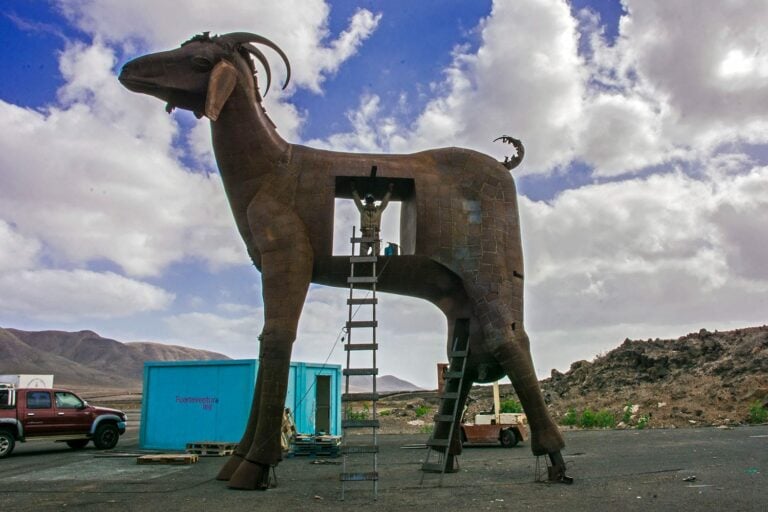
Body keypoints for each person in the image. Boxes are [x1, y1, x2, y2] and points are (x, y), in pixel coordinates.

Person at [352, 182, 394, 255]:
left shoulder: (378, 210)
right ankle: (366, 261)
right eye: (368, 201)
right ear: (366, 202)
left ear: (373, 201)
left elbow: (384, 202)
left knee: (376, 254)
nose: (369, 203)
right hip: (365, 234)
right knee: (362, 255)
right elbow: (357, 200)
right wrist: (353, 190)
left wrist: (389, 191)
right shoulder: (362, 209)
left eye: (370, 201)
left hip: (375, 234)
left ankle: (370, 260)